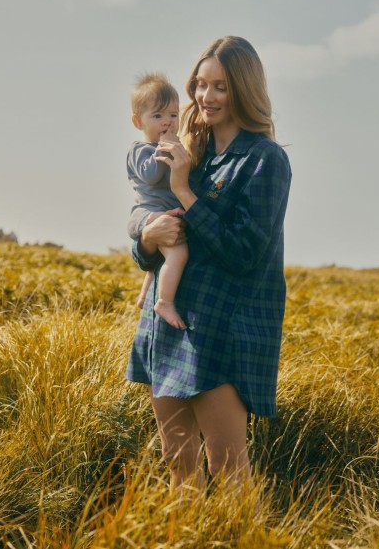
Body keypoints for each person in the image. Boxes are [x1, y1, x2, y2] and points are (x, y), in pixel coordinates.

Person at [125, 36, 292, 494]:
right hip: (168, 327)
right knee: (178, 464)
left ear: (244, 88)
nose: (206, 96)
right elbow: (147, 222)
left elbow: (243, 251)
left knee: (228, 469)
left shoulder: (265, 161)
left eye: (220, 86)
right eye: (201, 85)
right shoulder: (188, 151)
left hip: (223, 332)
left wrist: (184, 192)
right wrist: (145, 236)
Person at [127, 73, 189, 330]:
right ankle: (164, 301)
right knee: (179, 252)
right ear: (138, 121)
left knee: (159, 260)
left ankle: (145, 295)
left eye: (173, 115)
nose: (167, 122)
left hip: (160, 213)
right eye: (158, 116)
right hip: (145, 214)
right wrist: (165, 149)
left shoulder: (172, 144)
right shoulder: (140, 150)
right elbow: (151, 176)